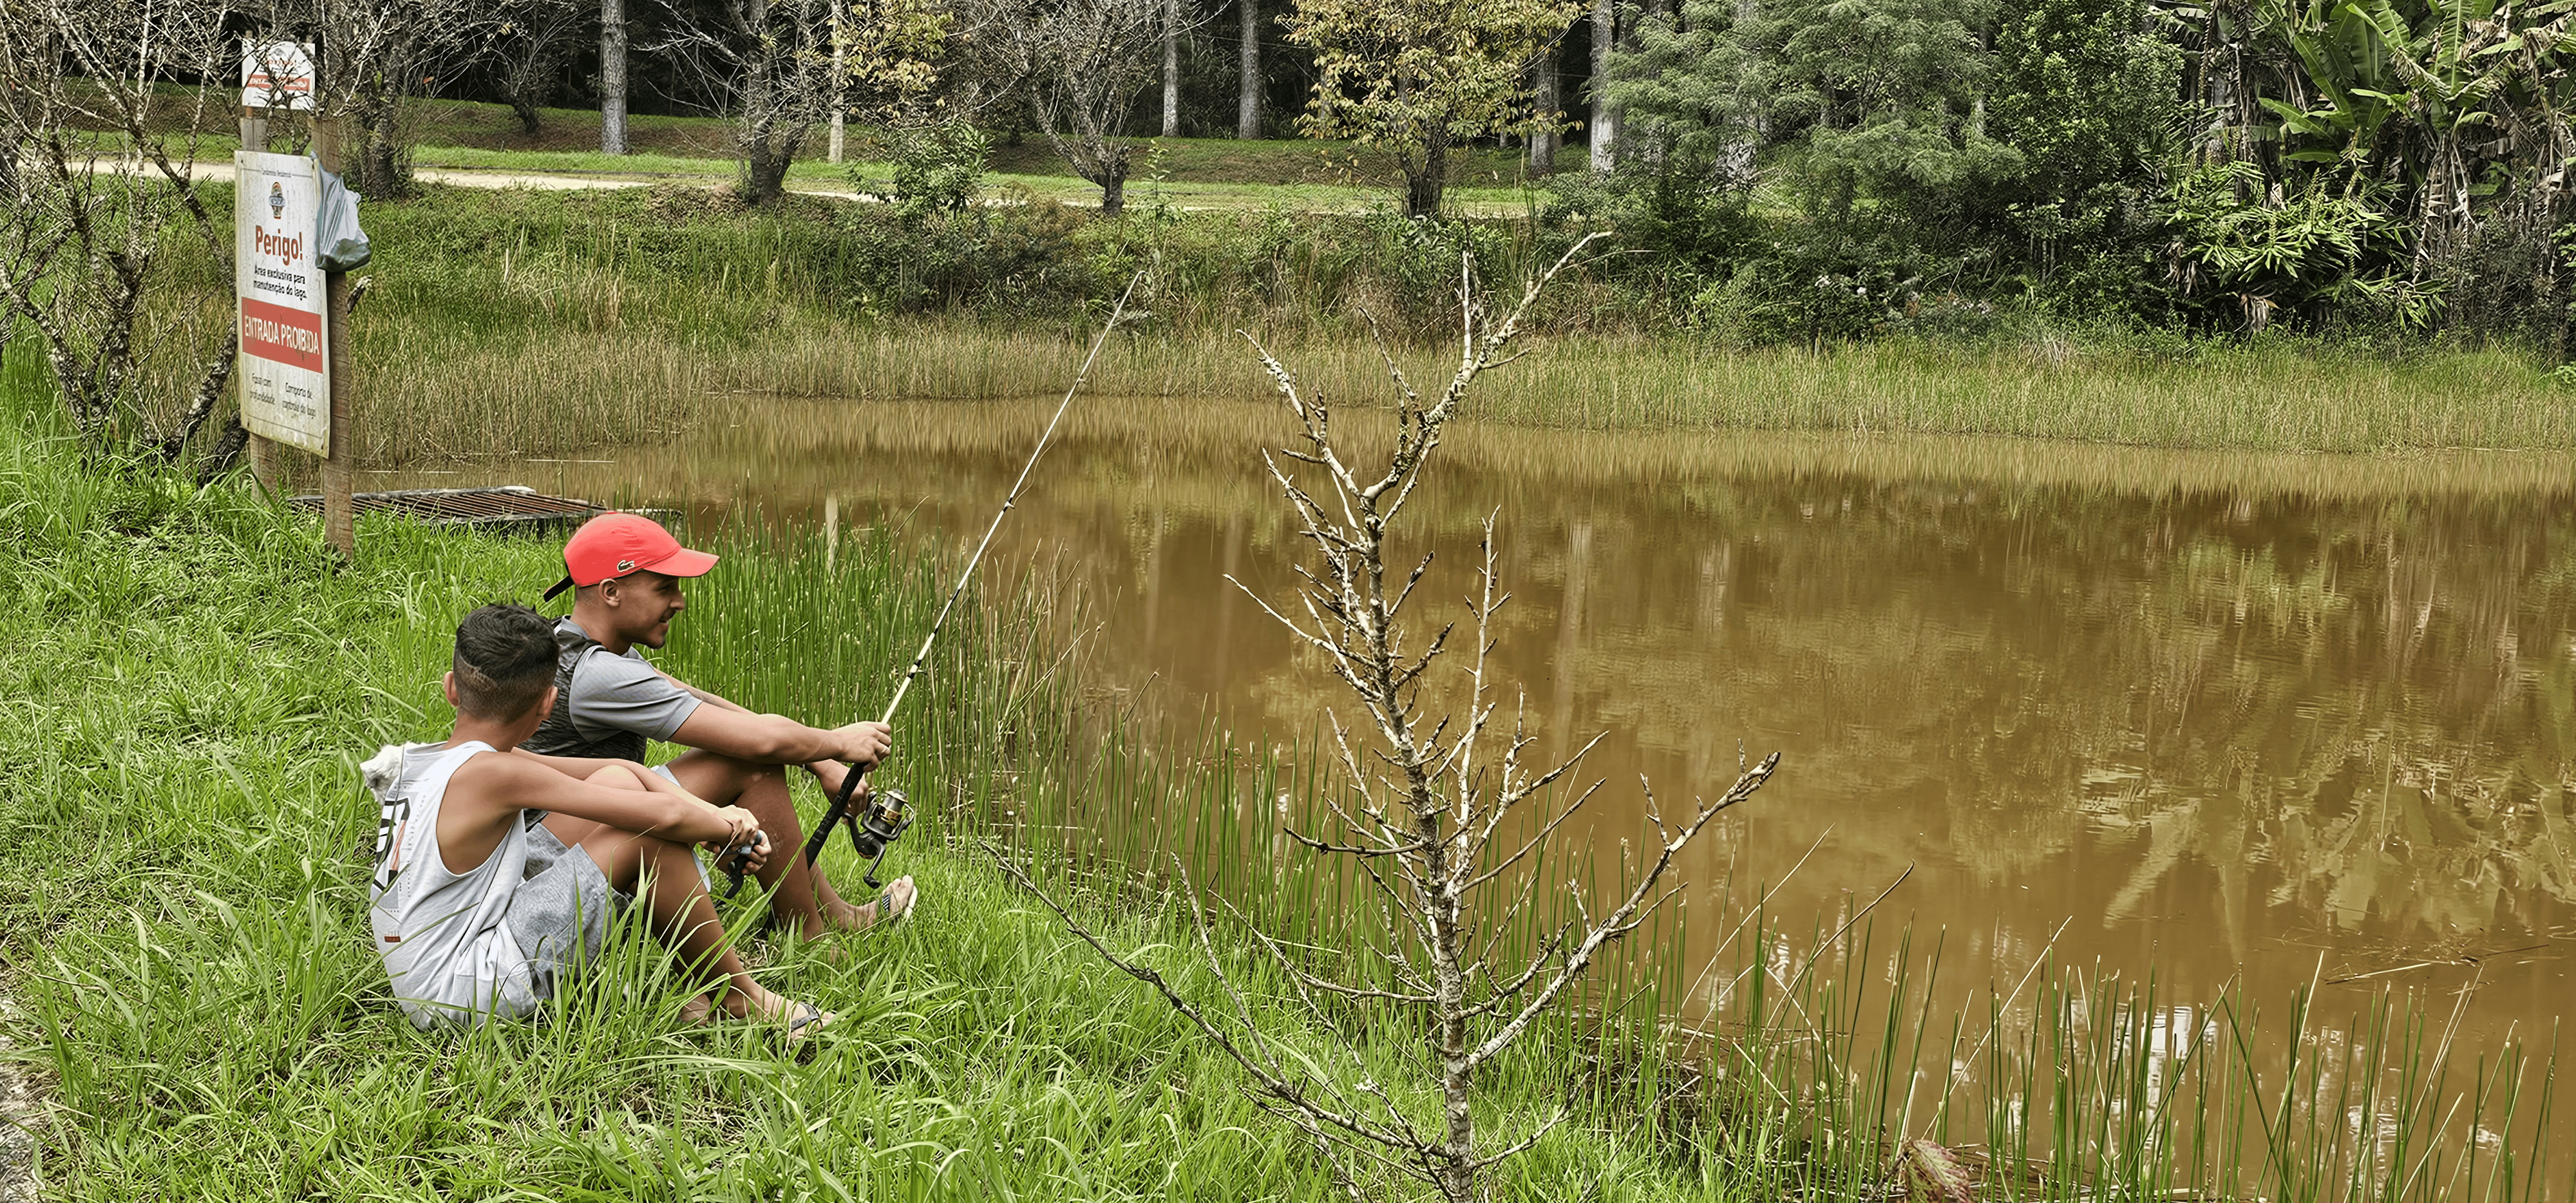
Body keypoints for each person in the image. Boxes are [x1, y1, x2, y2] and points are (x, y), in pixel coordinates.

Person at [366, 602, 831, 1039]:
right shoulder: (496, 773)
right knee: (647, 833)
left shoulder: (435, 760)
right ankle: (737, 996)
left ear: (452, 687)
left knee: (616, 780)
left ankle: (699, 982)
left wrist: (709, 814)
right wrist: (729, 831)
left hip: (436, 966)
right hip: (462, 997)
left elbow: (625, 772)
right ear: (548, 703)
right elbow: (664, 816)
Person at [525, 511, 918, 940]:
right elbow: (761, 743)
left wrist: (819, 761)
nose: (679, 601)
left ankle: (827, 915)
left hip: (567, 831)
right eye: (665, 588)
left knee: (748, 756)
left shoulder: (589, 647)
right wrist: (837, 744)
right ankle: (813, 935)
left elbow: (703, 702)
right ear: (611, 591)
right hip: (543, 866)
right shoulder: (597, 676)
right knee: (751, 763)